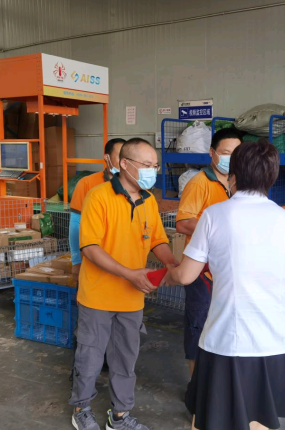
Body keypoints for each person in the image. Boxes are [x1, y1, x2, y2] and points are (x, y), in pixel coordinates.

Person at [166, 140, 285, 430]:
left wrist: (167, 272)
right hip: (278, 338)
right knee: (262, 419)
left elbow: (186, 275)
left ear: (234, 175)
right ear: (272, 177)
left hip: (229, 338)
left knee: (210, 419)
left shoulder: (214, 215)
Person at [69, 138, 178, 430]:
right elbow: (90, 247)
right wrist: (129, 274)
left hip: (131, 299)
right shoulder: (98, 196)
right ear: (124, 164)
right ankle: (81, 408)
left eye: (155, 166)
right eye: (147, 165)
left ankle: (119, 416)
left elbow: (157, 239)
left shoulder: (148, 200)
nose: (152, 171)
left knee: (125, 361)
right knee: (89, 358)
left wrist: (172, 264)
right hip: (98, 297)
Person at [175, 127, 243, 376]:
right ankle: (196, 384)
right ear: (212, 153)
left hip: (227, 268)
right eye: (225, 152)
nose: (230, 158)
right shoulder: (199, 183)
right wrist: (218, 228)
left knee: (225, 325)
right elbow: (183, 223)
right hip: (201, 269)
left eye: (236, 153)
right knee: (199, 324)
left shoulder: (239, 184)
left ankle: (217, 382)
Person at [69, 138, 126, 284]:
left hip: (125, 262)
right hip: (92, 262)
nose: (124, 161)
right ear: (107, 157)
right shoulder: (87, 184)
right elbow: (76, 225)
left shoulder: (135, 188)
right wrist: (76, 261)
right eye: (120, 156)